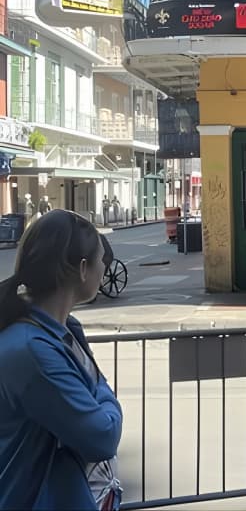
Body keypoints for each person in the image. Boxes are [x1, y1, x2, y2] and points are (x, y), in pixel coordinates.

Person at [0, 209, 123, 510]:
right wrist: (105, 394)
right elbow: (101, 436)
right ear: (83, 269)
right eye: (100, 261)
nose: (104, 269)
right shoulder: (32, 350)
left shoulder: (62, 330)